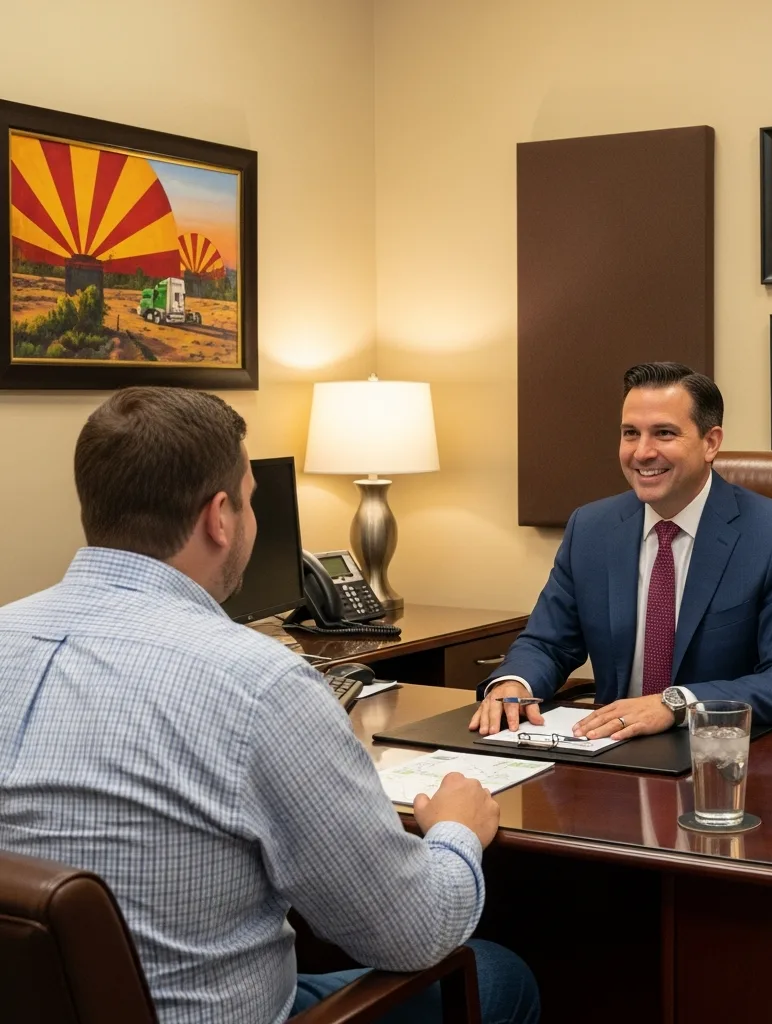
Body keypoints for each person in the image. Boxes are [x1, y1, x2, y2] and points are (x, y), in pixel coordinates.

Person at [0, 387, 539, 1024]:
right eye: (252, 500)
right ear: (219, 517)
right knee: (501, 974)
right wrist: (455, 830)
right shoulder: (261, 684)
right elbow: (413, 935)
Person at [471, 361, 772, 742]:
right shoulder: (591, 528)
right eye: (630, 433)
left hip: (717, 760)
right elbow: (548, 641)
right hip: (609, 755)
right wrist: (514, 682)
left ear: (710, 442)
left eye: (663, 433)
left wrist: (676, 703)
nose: (642, 452)